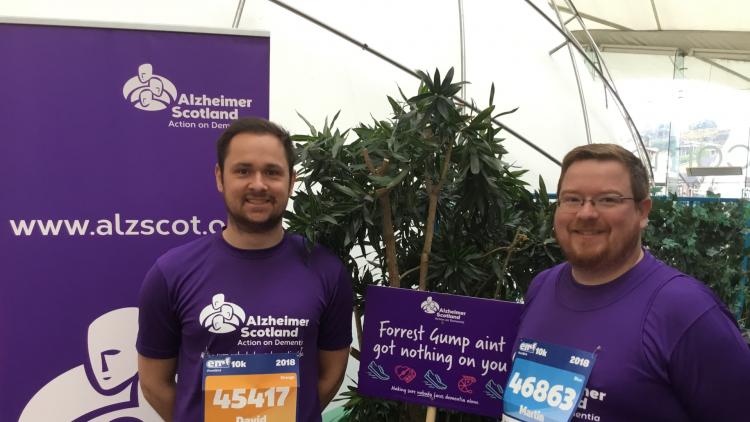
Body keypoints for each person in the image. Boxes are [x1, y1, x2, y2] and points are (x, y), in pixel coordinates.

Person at [136, 117, 353, 421]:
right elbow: (153, 383)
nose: (259, 184)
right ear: (220, 177)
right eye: (243, 171)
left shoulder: (327, 272)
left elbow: (330, 377)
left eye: (272, 172)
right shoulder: (170, 273)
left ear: (291, 181)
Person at [513, 144, 750, 421]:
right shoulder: (542, 287)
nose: (586, 213)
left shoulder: (686, 310)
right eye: (572, 199)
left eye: (608, 200)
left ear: (642, 211)